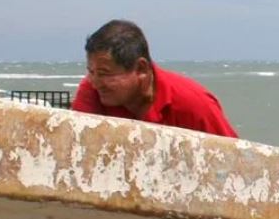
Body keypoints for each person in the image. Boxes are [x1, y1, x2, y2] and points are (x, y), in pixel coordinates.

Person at [72, 19, 238, 138]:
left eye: (104, 73)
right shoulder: (92, 92)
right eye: (91, 72)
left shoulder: (193, 104)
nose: (94, 82)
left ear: (141, 69)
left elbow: (234, 161)